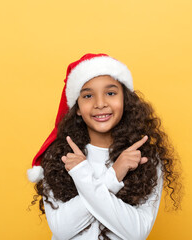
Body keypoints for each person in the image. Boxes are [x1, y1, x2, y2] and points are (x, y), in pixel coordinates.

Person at [27, 53, 183, 240]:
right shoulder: (59, 156)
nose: (100, 104)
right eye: (88, 96)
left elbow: (137, 232)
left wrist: (88, 180)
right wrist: (113, 175)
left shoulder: (144, 157)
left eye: (110, 93)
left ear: (125, 100)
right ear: (77, 107)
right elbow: (62, 228)